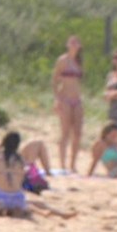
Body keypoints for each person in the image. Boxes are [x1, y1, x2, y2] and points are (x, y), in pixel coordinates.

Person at [0, 132, 76, 220]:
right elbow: (22, 177)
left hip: (0, 197)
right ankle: (61, 214)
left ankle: (2, 212)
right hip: (18, 197)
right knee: (38, 203)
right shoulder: (20, 159)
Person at [52, 35, 84, 174]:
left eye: (76, 43)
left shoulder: (79, 61)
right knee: (65, 132)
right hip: (65, 98)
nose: (74, 45)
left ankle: (73, 164)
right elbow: (55, 80)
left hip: (77, 99)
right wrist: (57, 98)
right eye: (72, 42)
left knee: (77, 133)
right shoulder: (62, 60)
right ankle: (62, 164)